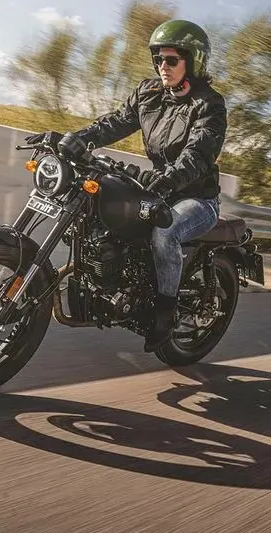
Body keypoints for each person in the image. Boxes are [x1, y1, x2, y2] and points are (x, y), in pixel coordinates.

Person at [57, 19, 227, 353]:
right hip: (159, 187)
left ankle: (165, 311)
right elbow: (115, 123)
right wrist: (75, 138)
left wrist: (168, 179)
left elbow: (198, 154)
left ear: (193, 61)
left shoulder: (209, 104)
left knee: (166, 232)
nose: (163, 66)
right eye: (159, 59)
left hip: (195, 197)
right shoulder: (148, 94)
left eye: (172, 60)